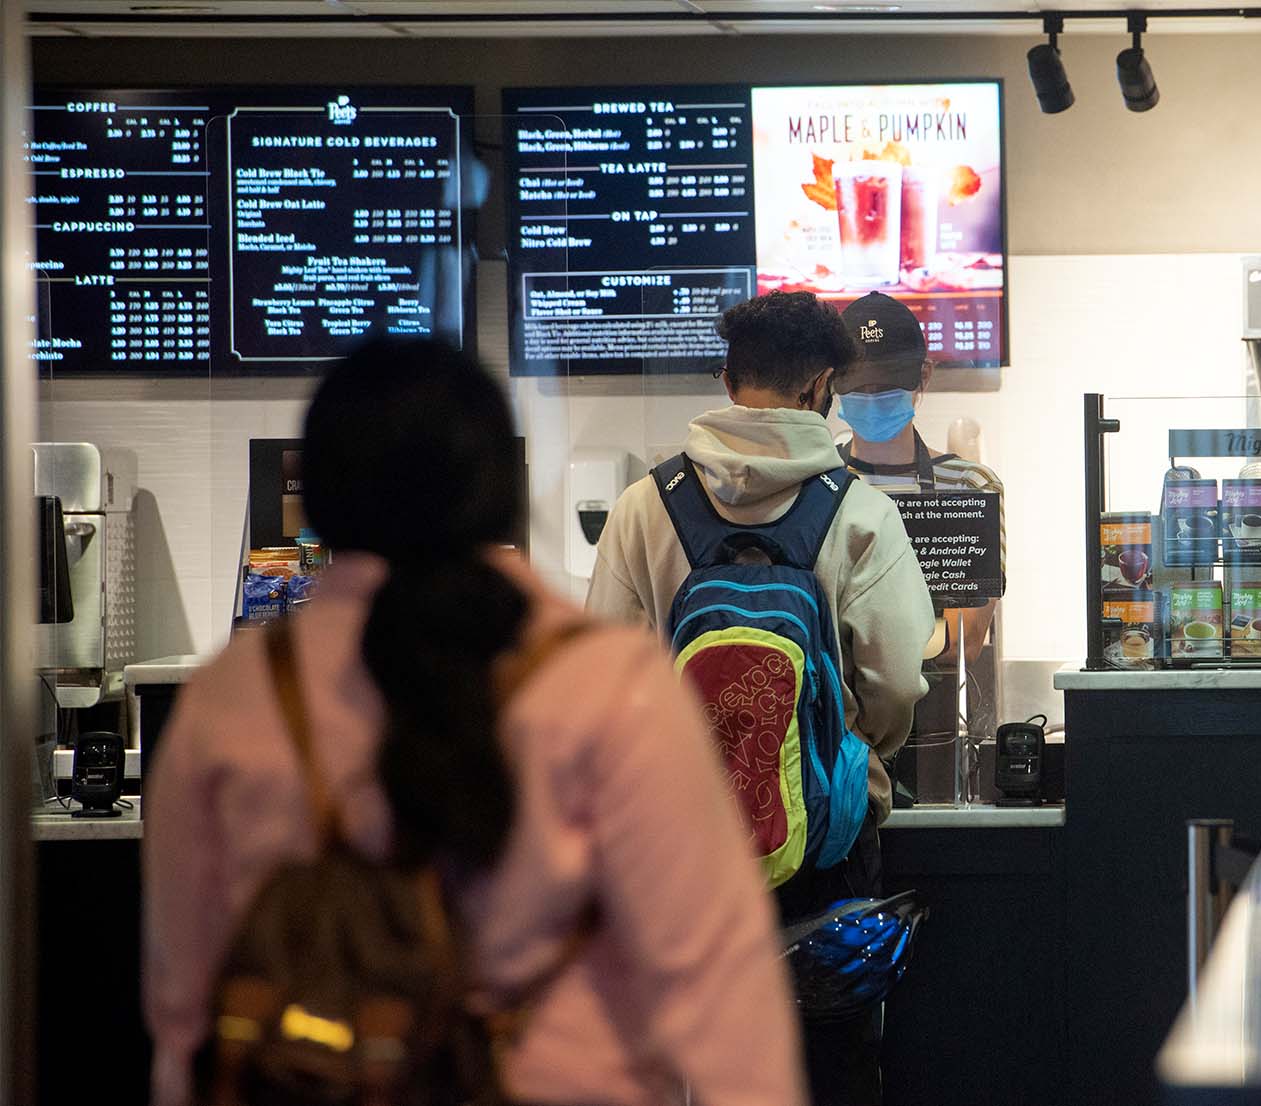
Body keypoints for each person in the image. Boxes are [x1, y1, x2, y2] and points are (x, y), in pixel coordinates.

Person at [144, 338, 803, 1106]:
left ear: (317, 495)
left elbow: (183, 1001)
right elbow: (721, 997)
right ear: (502, 490)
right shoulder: (611, 685)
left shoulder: (236, 693)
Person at [586, 291, 934, 1106]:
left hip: (681, 854)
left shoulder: (646, 505)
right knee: (828, 1064)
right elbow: (895, 685)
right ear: (822, 386)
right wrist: (839, 763)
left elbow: (605, 676)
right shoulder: (860, 511)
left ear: (725, 377)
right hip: (824, 850)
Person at [834, 293, 1006, 802]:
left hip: (940, 730)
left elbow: (967, 638)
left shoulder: (970, 486)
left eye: (887, 385)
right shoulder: (820, 483)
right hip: (841, 739)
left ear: (923, 378)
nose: (871, 395)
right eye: (857, 386)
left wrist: (860, 631)